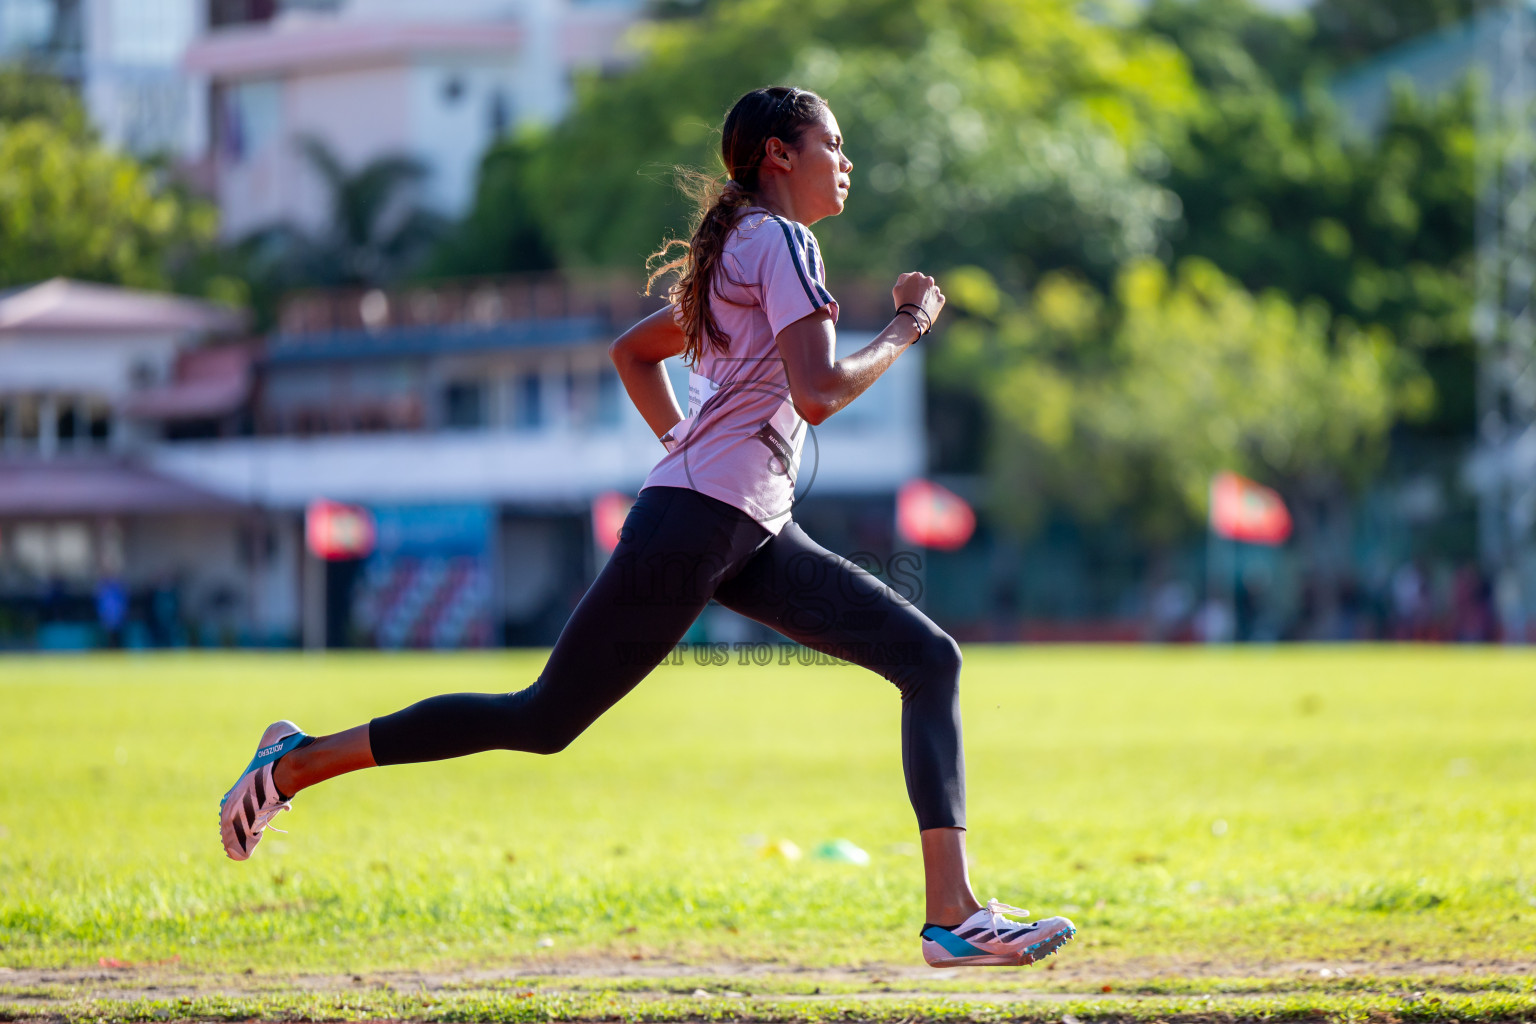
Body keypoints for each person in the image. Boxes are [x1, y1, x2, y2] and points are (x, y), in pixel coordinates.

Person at [219, 86, 1075, 969]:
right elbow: (817, 394)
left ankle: (953, 915)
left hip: (748, 525)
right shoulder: (781, 241)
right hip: (697, 524)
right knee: (543, 717)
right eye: (834, 144)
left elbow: (633, 351)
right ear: (780, 155)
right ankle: (293, 762)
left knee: (928, 657)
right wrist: (906, 325)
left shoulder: (742, 248)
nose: (847, 162)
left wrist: (686, 443)